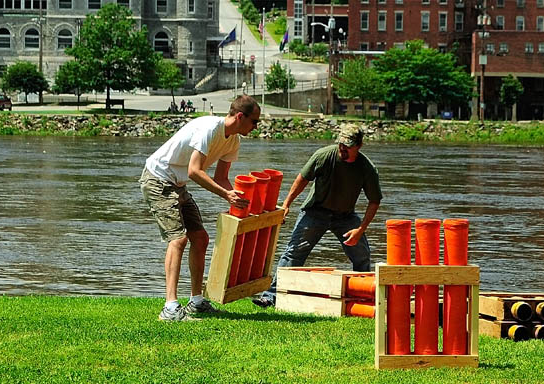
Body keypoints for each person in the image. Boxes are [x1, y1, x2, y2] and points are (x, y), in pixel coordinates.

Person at [140, 95, 261, 321]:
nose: (256, 127)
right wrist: (226, 194)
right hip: (158, 178)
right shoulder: (209, 128)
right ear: (240, 116)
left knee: (201, 238)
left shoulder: (233, 140)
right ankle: (170, 307)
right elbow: (195, 171)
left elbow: (222, 178)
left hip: (178, 183)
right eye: (255, 121)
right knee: (178, 240)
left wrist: (240, 201)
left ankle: (196, 302)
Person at [253, 123, 383, 307]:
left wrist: (360, 230)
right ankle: (271, 296)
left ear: (359, 146)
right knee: (294, 252)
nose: (342, 149)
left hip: (345, 217)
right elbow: (302, 179)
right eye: (341, 144)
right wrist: (286, 205)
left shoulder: (366, 168)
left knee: (361, 255)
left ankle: (366, 298)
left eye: (348, 146)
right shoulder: (324, 155)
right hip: (315, 212)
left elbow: (374, 201)